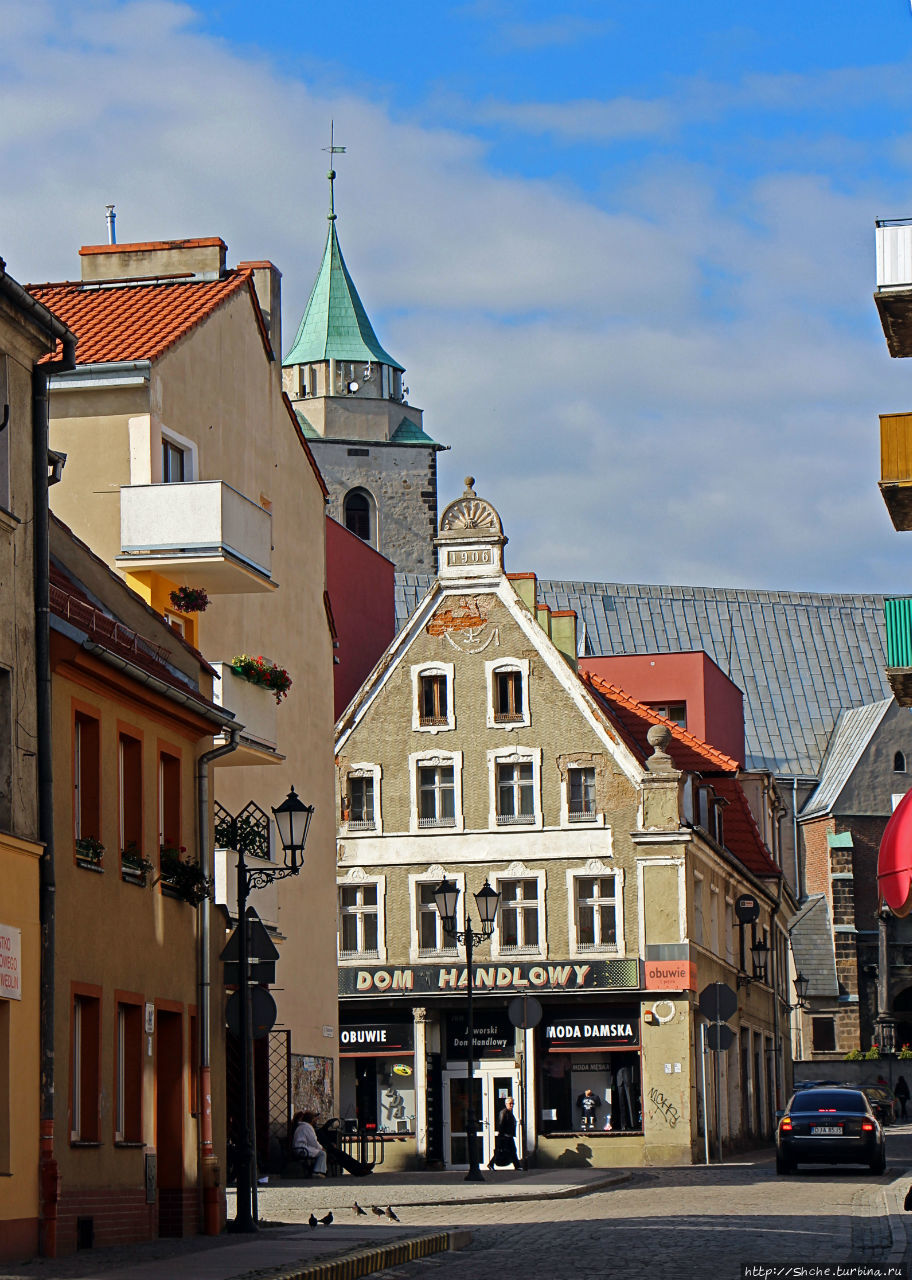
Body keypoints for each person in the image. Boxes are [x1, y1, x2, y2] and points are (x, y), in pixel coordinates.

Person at [488, 1096, 522, 1170]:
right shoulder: (503, 1112)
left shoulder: (509, 1113)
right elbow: (500, 1124)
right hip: (504, 1136)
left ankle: (518, 1166)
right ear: (506, 1104)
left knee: (513, 1150)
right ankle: (491, 1164)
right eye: (510, 1103)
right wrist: (502, 1135)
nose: (512, 1105)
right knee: (500, 1150)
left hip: (509, 1135)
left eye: (513, 1103)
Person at [291, 1110, 328, 1176]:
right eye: (314, 1118)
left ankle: (317, 1170)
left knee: (319, 1152)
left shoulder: (301, 1126)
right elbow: (313, 1141)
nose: (315, 1120)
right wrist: (321, 1148)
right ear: (311, 1119)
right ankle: (317, 1171)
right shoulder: (307, 1127)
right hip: (302, 1149)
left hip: (299, 1148)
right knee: (322, 1153)